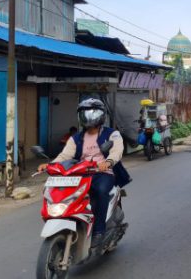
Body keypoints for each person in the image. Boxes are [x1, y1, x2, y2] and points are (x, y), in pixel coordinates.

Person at [37, 98, 131, 250]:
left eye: (92, 113)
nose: (88, 117)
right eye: (85, 113)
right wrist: (50, 165)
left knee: (99, 191)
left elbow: (117, 151)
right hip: (80, 173)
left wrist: (107, 162)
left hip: (103, 172)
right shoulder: (76, 138)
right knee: (64, 192)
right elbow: (64, 156)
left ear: (101, 116)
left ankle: (99, 231)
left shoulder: (112, 134)